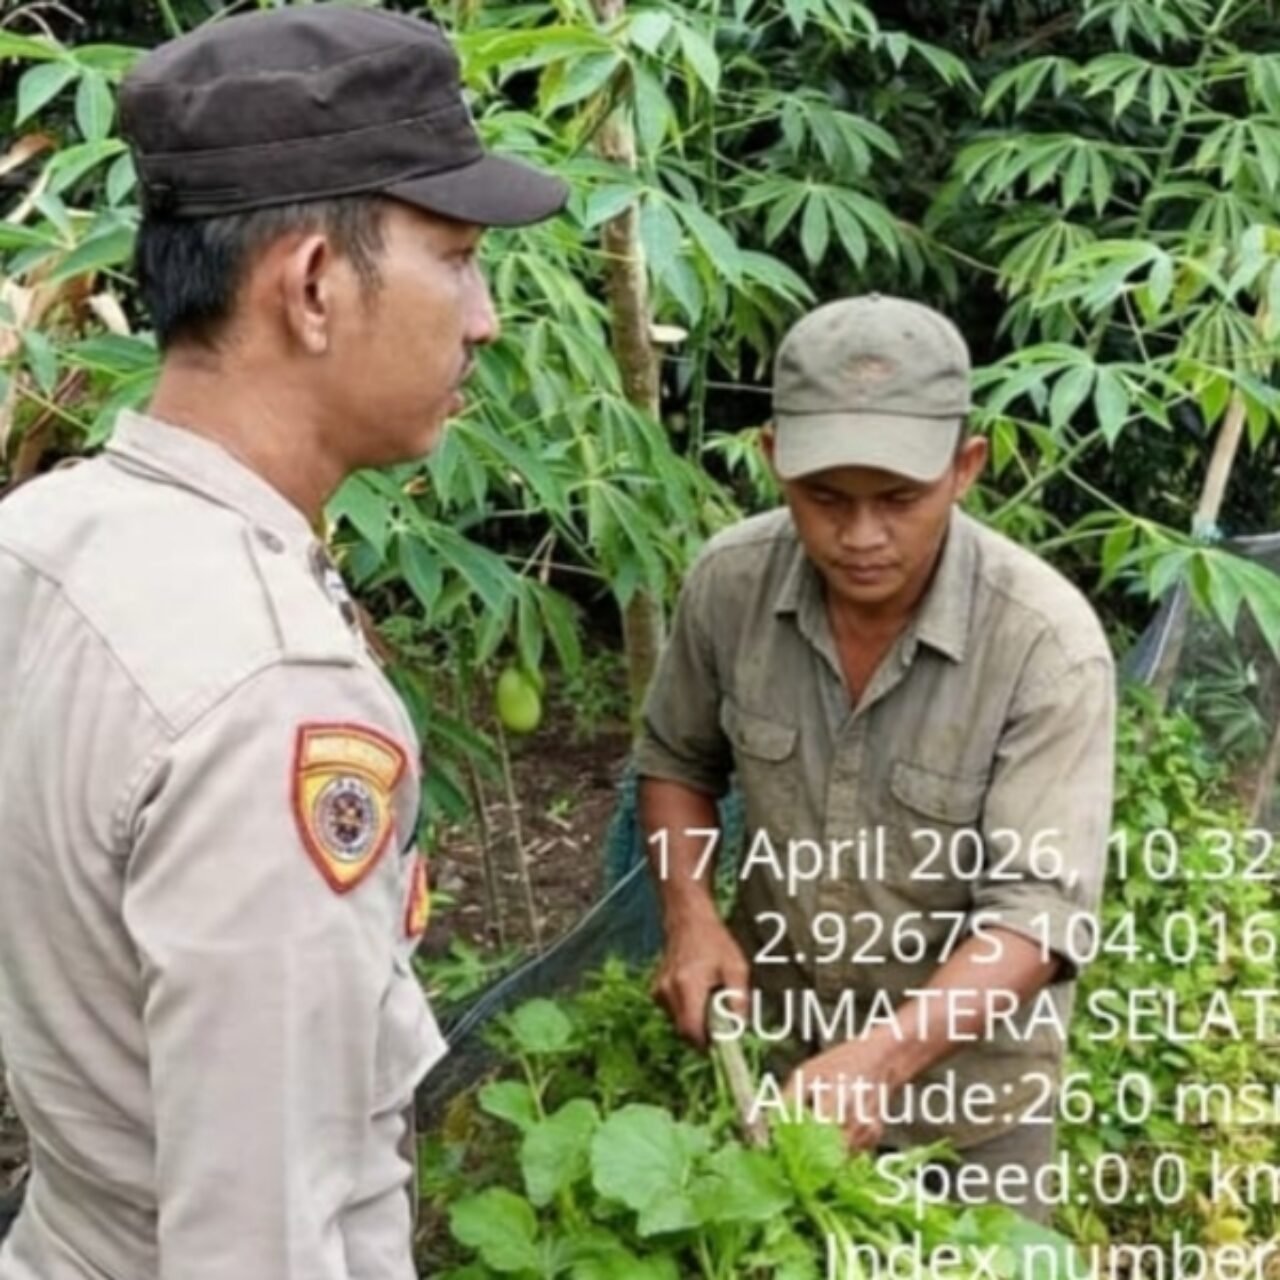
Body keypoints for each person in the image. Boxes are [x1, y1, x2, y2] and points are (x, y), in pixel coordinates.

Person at [0, 7, 566, 1279]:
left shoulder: (44, 536)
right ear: (312, 285)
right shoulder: (273, 693)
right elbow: (259, 1231)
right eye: (460, 257)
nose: (481, 317)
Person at [636, 295, 1115, 1224]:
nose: (860, 537)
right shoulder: (729, 587)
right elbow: (676, 759)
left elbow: (1038, 914)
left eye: (898, 500)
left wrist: (886, 1059)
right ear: (774, 459)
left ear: (964, 467)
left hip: (972, 1115)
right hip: (782, 1074)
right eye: (825, 499)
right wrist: (689, 914)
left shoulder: (1044, 645)